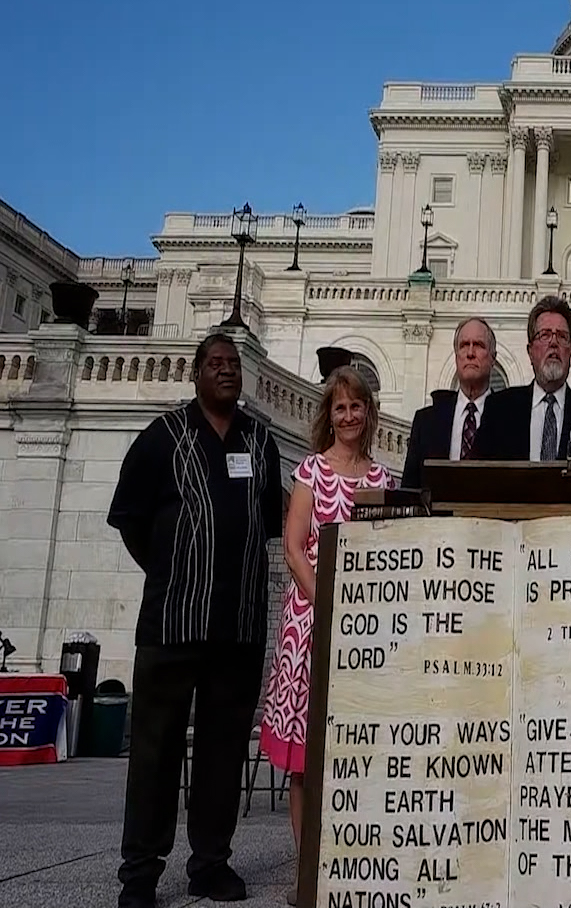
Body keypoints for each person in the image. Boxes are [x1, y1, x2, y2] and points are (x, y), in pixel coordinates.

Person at [106, 332, 283, 908]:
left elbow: (270, 523)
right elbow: (131, 521)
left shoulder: (260, 442)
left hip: (238, 626)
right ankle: (140, 873)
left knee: (223, 751)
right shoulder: (162, 437)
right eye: (216, 364)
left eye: (234, 365)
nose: (227, 372)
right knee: (155, 753)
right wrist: (174, 568)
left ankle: (211, 863)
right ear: (197, 373)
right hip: (172, 625)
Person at [258, 366, 393, 905]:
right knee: (305, 758)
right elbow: (293, 548)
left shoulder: (382, 479)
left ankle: (347, 866)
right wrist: (330, 604)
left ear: (368, 412)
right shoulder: (311, 471)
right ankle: (306, 873)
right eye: (339, 408)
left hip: (363, 628)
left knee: (350, 750)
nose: (349, 415)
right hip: (312, 620)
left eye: (356, 406)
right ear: (328, 415)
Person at [477, 295, 571, 509]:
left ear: (570, 352)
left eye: (562, 337)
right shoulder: (499, 410)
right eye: (545, 335)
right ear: (530, 351)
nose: (554, 342)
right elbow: (479, 487)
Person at [401, 316, 497, 488]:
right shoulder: (426, 422)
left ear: (493, 358)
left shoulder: (509, 419)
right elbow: (410, 490)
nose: (470, 353)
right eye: (464, 345)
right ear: (456, 356)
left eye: (479, 345)